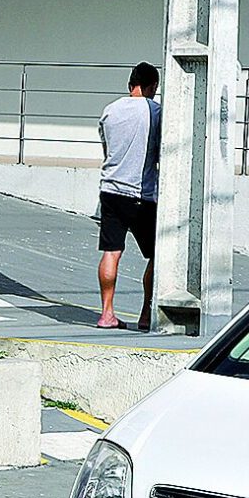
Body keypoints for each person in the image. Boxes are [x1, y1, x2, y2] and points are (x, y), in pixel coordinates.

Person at [96, 61, 162, 331]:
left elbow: (107, 150)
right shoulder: (156, 111)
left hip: (110, 190)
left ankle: (106, 314)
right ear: (151, 87)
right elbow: (160, 153)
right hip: (142, 194)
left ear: (129, 85)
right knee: (158, 255)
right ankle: (146, 314)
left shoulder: (110, 110)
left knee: (111, 252)